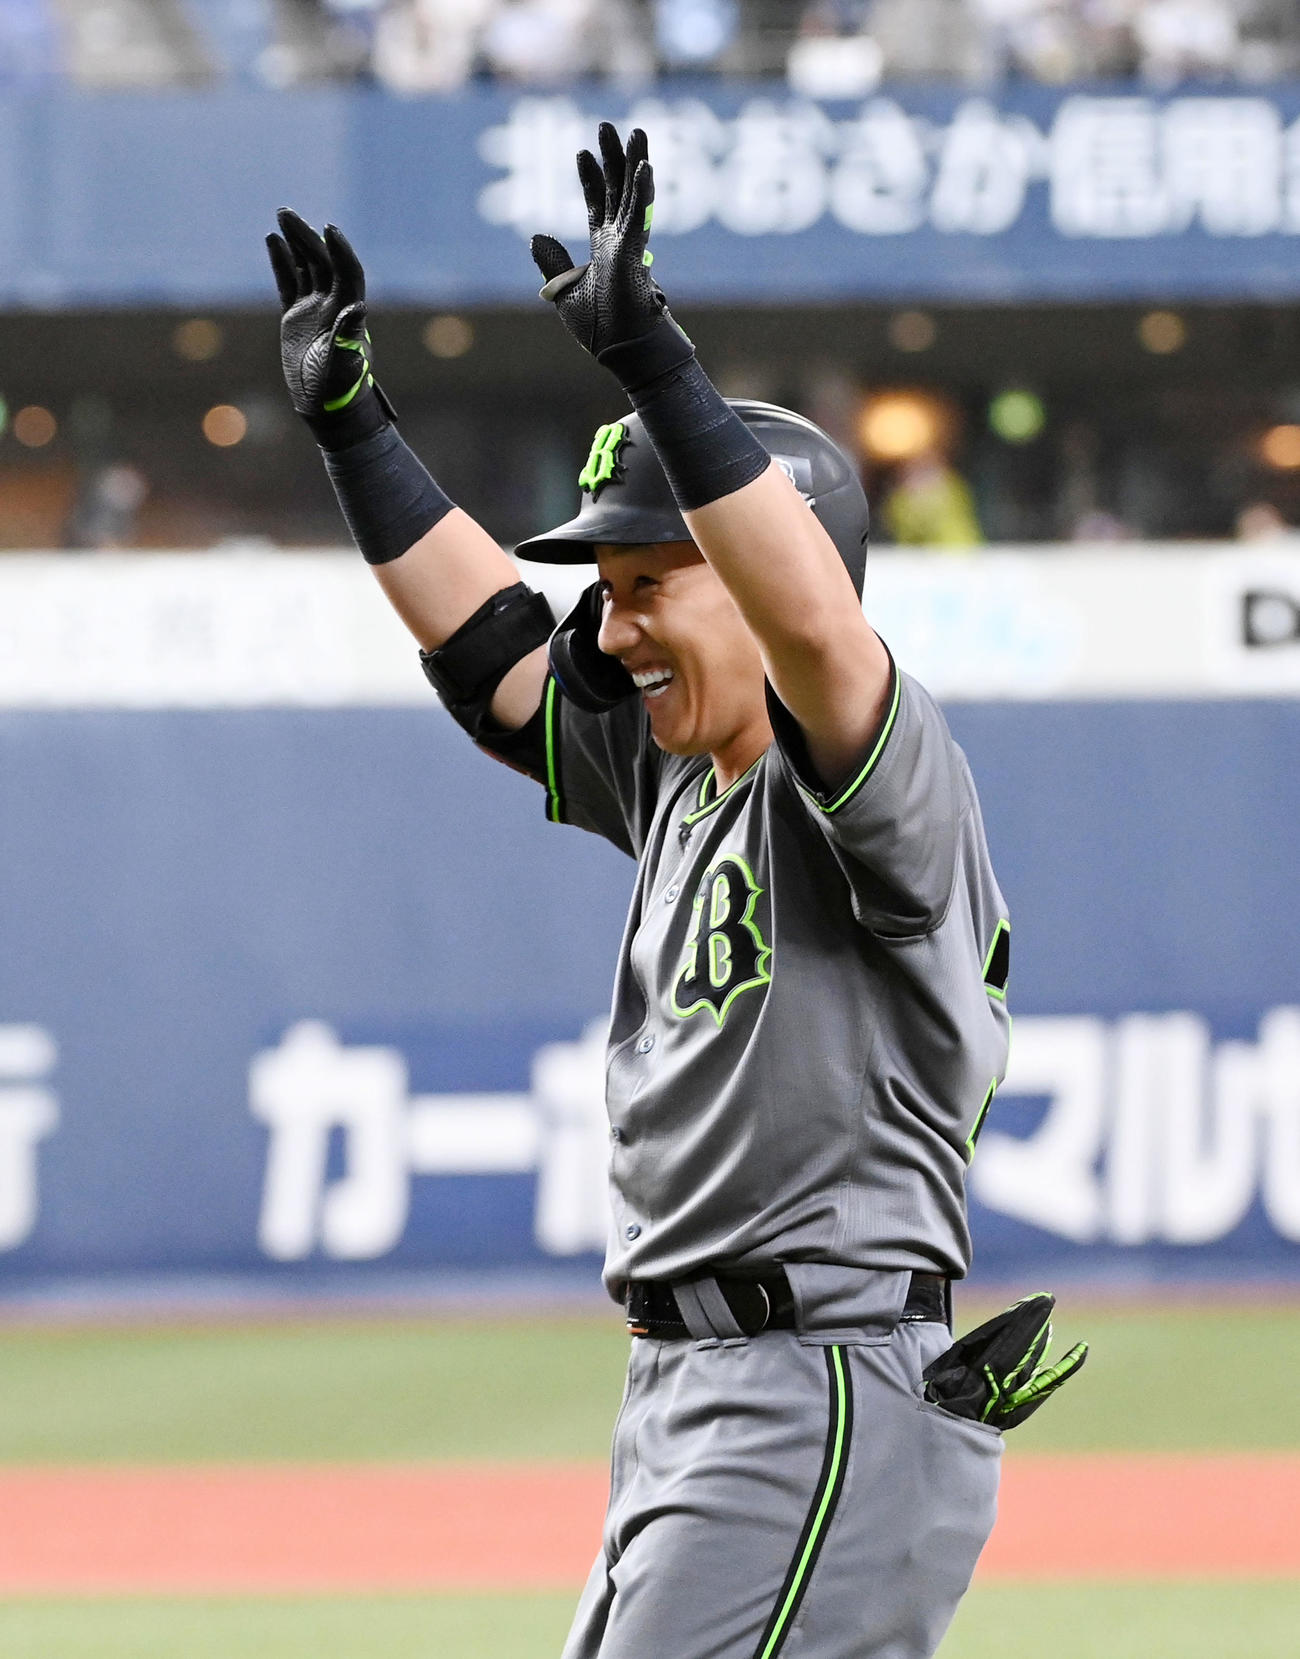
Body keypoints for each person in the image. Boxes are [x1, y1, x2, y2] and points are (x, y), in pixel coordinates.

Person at [268, 123, 1085, 1659]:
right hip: (687, 1390)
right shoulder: (676, 780)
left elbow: (821, 638)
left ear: (769, 575)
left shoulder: (876, 778)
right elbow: (498, 662)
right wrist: (356, 431)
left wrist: (657, 364)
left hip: (819, 1378)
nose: (615, 626)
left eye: (650, 584)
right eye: (609, 590)